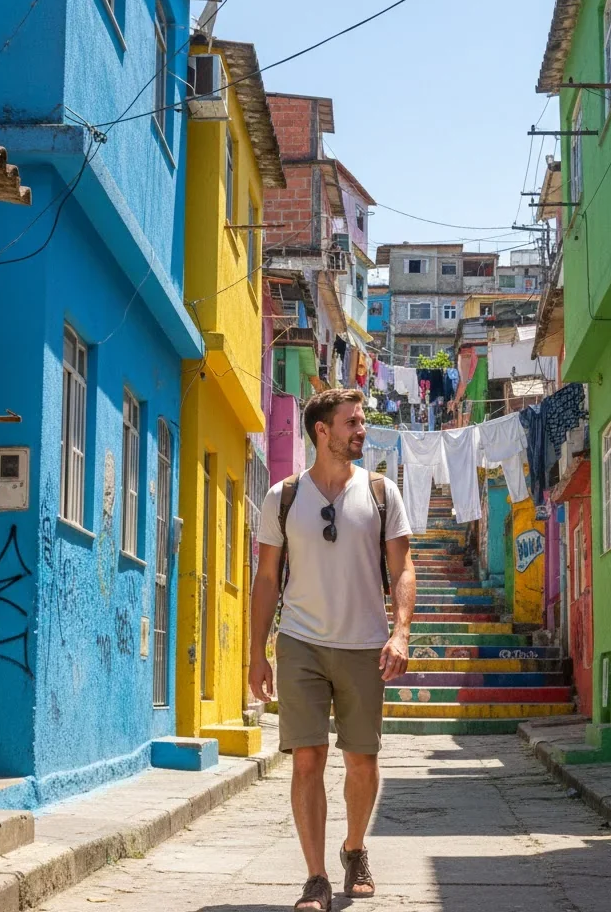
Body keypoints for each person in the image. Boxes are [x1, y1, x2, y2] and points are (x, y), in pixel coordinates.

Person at [249, 389, 416, 912]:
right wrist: (258, 651)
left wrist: (401, 632)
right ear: (322, 431)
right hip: (300, 641)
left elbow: (402, 569)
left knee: (362, 762)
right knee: (307, 759)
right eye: (353, 422)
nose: (361, 430)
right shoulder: (283, 496)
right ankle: (316, 878)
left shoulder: (383, 492)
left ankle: (354, 848)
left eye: (361, 422)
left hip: (365, 643)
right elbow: (268, 577)